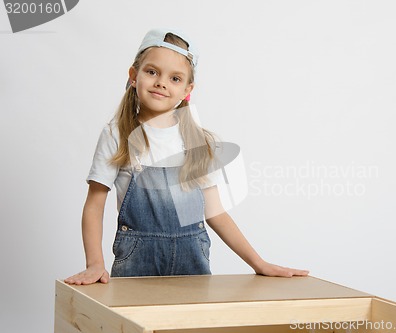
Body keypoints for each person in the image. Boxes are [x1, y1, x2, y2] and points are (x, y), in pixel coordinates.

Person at [65, 29, 308, 285]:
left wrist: (260, 264)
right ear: (134, 76)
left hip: (192, 268)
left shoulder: (197, 141)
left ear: (187, 90)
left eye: (175, 78)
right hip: (136, 265)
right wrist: (95, 264)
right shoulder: (117, 133)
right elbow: (94, 204)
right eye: (152, 72)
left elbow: (215, 213)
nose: (161, 83)